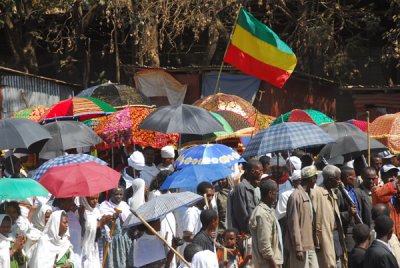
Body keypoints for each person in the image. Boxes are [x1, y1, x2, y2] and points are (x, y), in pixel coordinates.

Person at [312, 165, 347, 268]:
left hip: (336, 236)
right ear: (330, 180)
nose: (340, 181)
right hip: (324, 238)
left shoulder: (332, 191)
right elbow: (313, 220)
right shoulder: (316, 193)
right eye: (338, 179)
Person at [285, 165, 318, 268]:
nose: (316, 180)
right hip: (300, 247)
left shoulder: (308, 194)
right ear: (312, 178)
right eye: (315, 177)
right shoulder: (295, 196)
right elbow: (293, 224)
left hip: (310, 245)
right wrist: (298, 248)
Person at [249, 179, 283, 268]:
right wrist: (274, 265)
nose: (277, 194)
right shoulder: (262, 213)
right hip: (267, 264)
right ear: (270, 193)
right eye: (276, 192)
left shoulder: (268, 210)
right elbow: (264, 245)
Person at [99, 187, 133, 268]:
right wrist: (112, 217)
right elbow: (102, 222)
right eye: (116, 194)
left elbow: (130, 220)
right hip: (112, 241)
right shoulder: (104, 206)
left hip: (125, 239)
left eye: (121, 194)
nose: (119, 196)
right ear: (111, 194)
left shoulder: (124, 205)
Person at [79, 195, 112, 268]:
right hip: (85, 247)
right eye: (92, 199)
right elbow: (83, 230)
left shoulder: (96, 211)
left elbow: (100, 226)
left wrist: (105, 221)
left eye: (97, 198)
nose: (95, 201)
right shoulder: (81, 212)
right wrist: (99, 223)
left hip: (95, 246)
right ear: (84, 199)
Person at [230, 159, 262, 234]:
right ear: (252, 171)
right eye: (260, 171)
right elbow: (241, 215)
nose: (261, 173)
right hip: (248, 234)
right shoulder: (241, 188)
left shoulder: (256, 187)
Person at [372, 164, 400, 239]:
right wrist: (393, 184)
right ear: (383, 177)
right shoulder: (377, 190)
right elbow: (379, 195)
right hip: (387, 235)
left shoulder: (397, 191)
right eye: (390, 174)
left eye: (395, 174)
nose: (393, 177)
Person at [53, 197, 82, 268]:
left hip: (75, 253)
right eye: (70, 201)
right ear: (61, 202)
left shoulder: (72, 215)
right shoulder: (55, 215)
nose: (73, 203)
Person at [337, 167, 361, 252]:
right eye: (353, 177)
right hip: (348, 232)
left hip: (359, 228)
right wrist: (348, 213)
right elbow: (335, 215)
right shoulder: (339, 193)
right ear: (347, 177)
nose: (355, 179)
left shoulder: (355, 191)